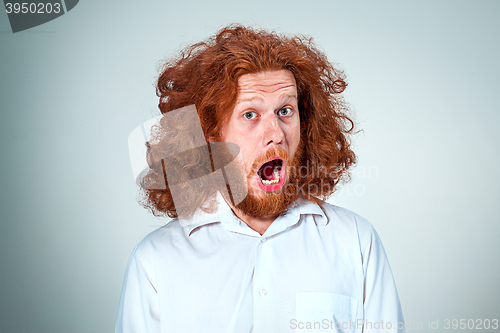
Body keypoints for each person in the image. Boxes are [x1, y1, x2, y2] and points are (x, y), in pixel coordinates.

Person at [116, 25, 405, 333]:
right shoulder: (156, 260)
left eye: (285, 111)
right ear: (210, 135)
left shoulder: (356, 241)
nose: (276, 134)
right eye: (250, 115)